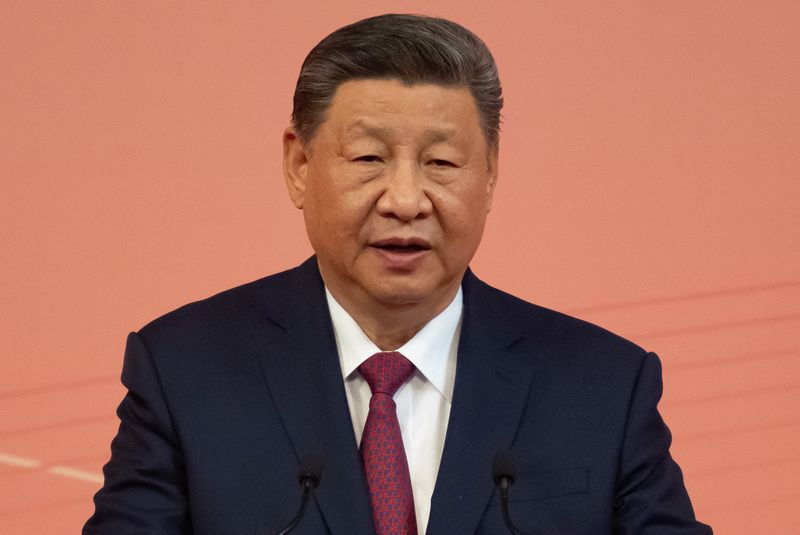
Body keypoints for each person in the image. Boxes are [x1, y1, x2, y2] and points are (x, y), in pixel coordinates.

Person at [84, 13, 712, 535]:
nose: (405, 199)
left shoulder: (603, 386)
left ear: (490, 175)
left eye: (442, 161)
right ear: (299, 165)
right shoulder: (185, 371)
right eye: (368, 158)